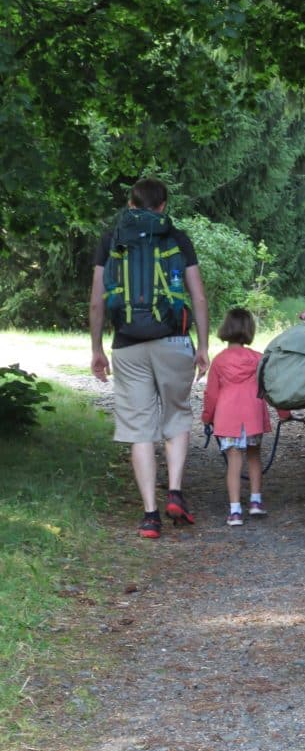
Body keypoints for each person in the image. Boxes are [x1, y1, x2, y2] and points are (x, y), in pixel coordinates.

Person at [89, 177, 209, 539]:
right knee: (176, 415)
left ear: (130, 203)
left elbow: (97, 300)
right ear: (163, 206)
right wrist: (203, 345)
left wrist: (96, 349)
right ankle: (174, 492)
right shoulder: (177, 237)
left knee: (139, 428)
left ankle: (150, 516)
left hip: (127, 343)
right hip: (173, 340)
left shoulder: (111, 239)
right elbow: (198, 297)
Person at [202, 308, 278, 527]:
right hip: (253, 414)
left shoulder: (219, 361)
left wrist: (207, 418)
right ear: (249, 330)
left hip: (228, 417)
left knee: (234, 462)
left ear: (225, 328)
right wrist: (284, 412)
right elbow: (271, 388)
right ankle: (256, 501)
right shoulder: (258, 358)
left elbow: (212, 394)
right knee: (254, 457)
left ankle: (235, 511)